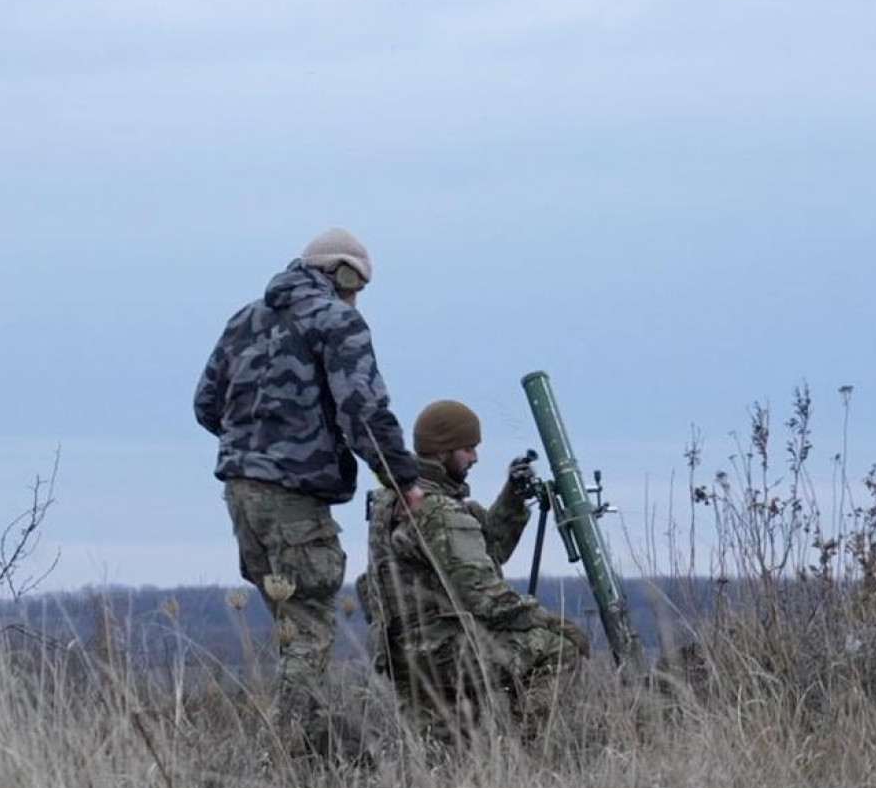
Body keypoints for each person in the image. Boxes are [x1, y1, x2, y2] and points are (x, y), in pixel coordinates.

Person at [193, 228, 423, 760]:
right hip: (294, 500)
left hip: (241, 495)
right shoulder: (338, 321)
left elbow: (207, 406)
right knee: (311, 631)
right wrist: (404, 481)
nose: (357, 296)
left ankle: (325, 758)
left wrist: (255, 447)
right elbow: (364, 411)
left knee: (293, 632)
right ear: (343, 273)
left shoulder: (245, 320)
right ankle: (287, 756)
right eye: (358, 284)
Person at [360, 398, 590, 749]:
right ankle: (528, 749)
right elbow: (483, 595)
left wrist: (512, 500)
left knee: (448, 759)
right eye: (468, 449)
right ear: (442, 451)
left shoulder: (394, 499)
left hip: (401, 652)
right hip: (440, 649)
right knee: (558, 649)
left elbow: (482, 550)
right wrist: (547, 621)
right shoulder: (437, 510)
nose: (475, 458)